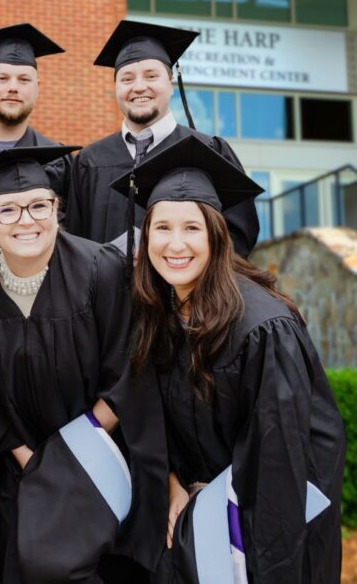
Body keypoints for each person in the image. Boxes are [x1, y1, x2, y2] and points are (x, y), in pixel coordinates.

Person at [110, 133, 345, 584]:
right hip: (203, 526)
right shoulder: (165, 312)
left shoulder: (262, 329)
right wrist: (175, 483)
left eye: (192, 227)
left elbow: (280, 468)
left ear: (217, 235)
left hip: (263, 539)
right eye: (162, 227)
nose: (174, 244)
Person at [0, 146, 166, 583]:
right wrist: (32, 459)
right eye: (6, 210)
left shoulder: (102, 269)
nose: (25, 220)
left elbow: (128, 369)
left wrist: (73, 454)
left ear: (57, 209)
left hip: (100, 461)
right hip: (17, 467)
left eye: (38, 206)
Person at [65, 20, 259, 257]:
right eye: (127, 79)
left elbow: (238, 238)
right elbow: (75, 245)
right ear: (115, 87)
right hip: (107, 294)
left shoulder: (208, 151)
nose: (139, 87)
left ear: (171, 83)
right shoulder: (89, 161)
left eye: (151, 76)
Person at [0, 23, 72, 197]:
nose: (13, 87)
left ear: (38, 88)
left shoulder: (58, 161)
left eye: (24, 80)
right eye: (2, 78)